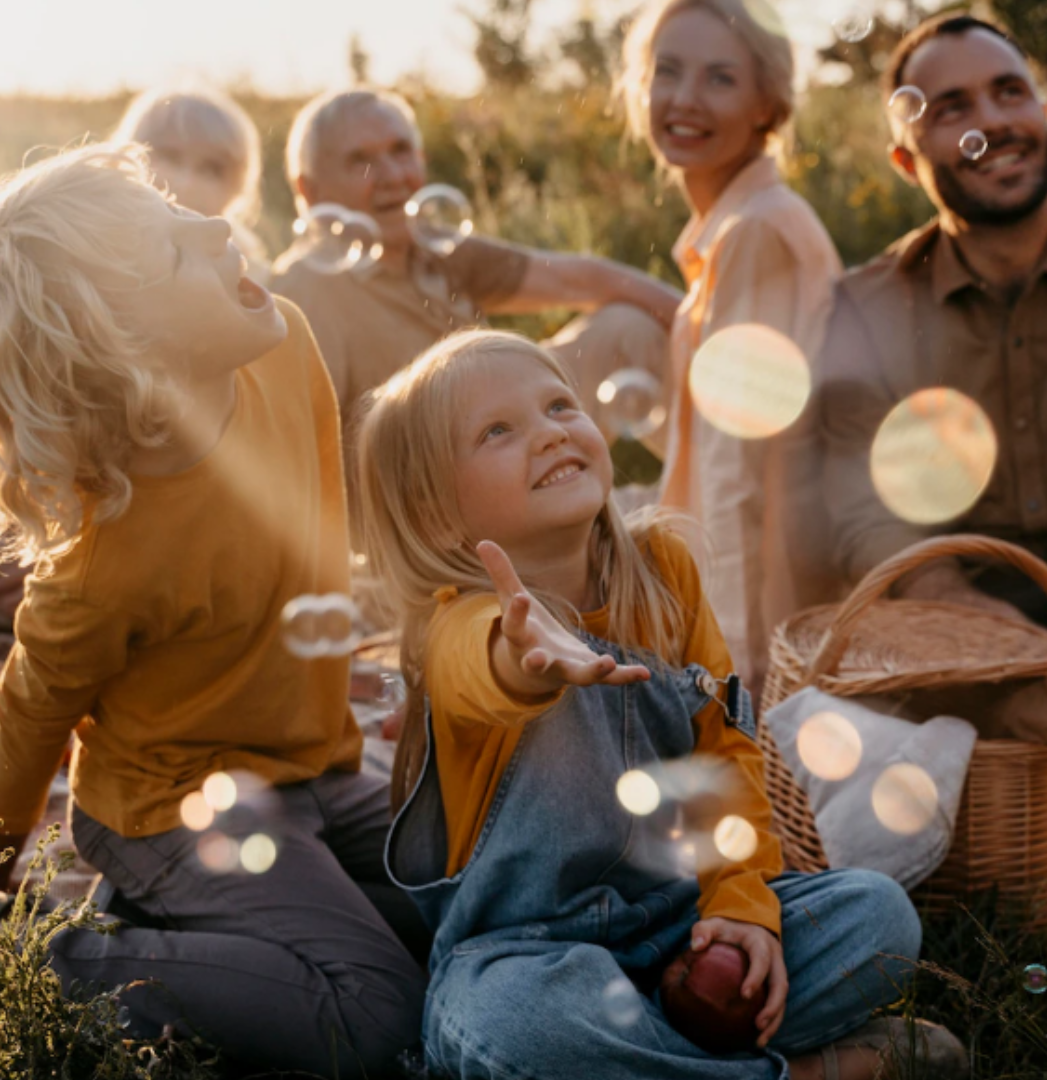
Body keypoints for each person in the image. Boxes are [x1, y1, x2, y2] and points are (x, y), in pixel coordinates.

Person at [355, 327, 968, 1080]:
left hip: (683, 927)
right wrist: (527, 663)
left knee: (878, 915)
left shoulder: (665, 574)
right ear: (438, 515)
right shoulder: (463, 623)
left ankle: (651, 1055)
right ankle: (815, 1072)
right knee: (510, 1028)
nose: (550, 433)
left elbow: (725, 754)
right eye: (497, 431)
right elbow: (478, 666)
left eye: (559, 406)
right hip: (527, 960)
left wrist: (742, 910)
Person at [0, 144, 425, 1079]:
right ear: (119, 351)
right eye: (173, 250)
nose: (215, 225)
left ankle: (167, 920)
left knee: (484, 898)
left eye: (178, 209)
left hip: (315, 765)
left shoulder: (286, 344)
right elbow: (31, 709)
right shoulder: (103, 561)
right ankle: (61, 957)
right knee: (380, 1015)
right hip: (168, 808)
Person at [820, 14, 1047, 627]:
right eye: (951, 110)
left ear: (1042, 111)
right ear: (906, 164)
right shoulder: (867, 309)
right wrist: (968, 613)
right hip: (967, 618)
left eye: (1009, 92)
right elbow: (865, 514)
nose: (992, 123)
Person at [619, 0, 843, 695]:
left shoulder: (755, 233)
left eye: (720, 78)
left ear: (766, 107)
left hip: (769, 601)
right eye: (668, 71)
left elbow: (734, 468)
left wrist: (731, 670)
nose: (684, 99)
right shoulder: (733, 227)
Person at [272, 86, 681, 449]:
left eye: (400, 152)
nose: (393, 176)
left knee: (629, 327)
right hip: (426, 497)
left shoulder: (431, 246)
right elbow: (303, 452)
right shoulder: (307, 287)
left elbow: (578, 279)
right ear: (310, 190)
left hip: (503, 437)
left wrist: (708, 324)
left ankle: (713, 487)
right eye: (360, 160)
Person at [113, 85, 269, 281]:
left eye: (211, 169)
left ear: (238, 185)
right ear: (131, 157)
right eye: (170, 157)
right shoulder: (99, 255)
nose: (187, 182)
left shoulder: (253, 280)